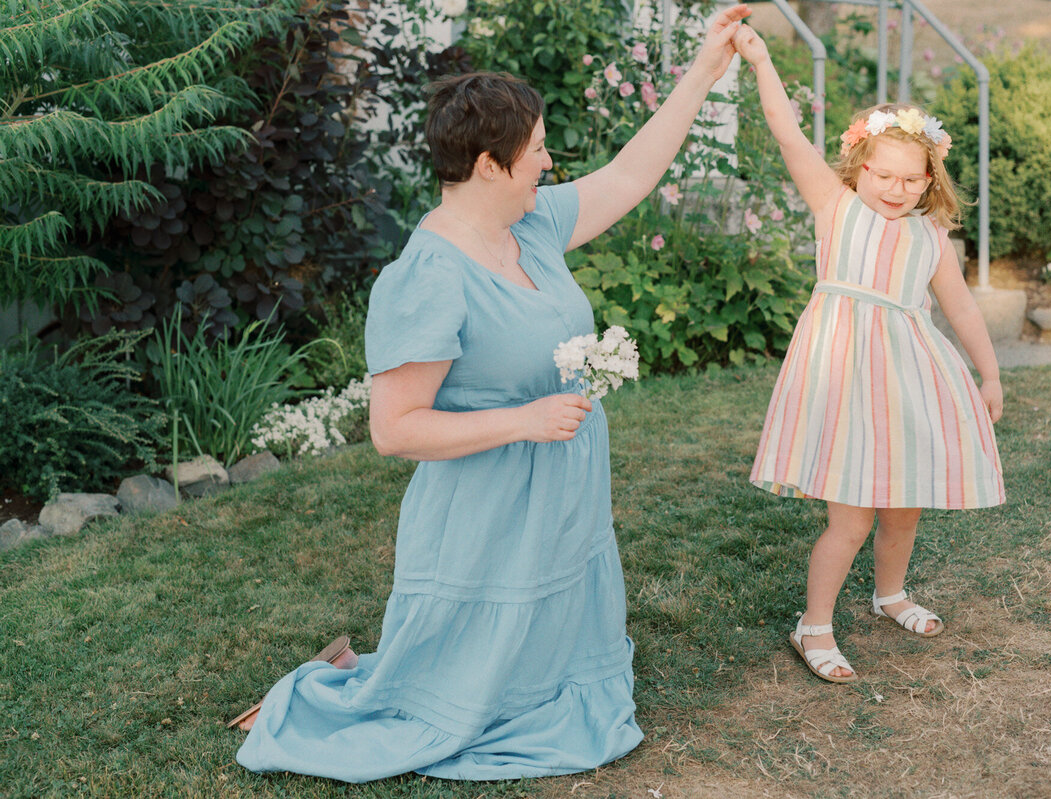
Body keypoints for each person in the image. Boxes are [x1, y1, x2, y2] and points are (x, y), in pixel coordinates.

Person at [230, 4, 752, 782]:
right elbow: (394, 429)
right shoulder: (427, 276)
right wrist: (527, 418)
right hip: (485, 513)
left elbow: (632, 174)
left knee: (542, 663)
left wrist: (708, 68)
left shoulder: (533, 225)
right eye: (537, 149)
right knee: (453, 688)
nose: (549, 161)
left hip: (561, 494)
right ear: (487, 163)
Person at [734, 26, 1005, 684]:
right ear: (858, 167)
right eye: (882, 174)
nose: (895, 188)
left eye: (911, 178)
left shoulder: (930, 240)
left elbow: (963, 310)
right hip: (844, 379)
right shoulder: (835, 207)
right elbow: (786, 130)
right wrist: (762, 59)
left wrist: (989, 373)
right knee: (851, 515)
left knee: (903, 502)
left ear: (928, 178)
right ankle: (814, 624)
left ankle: (891, 595)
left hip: (909, 381)